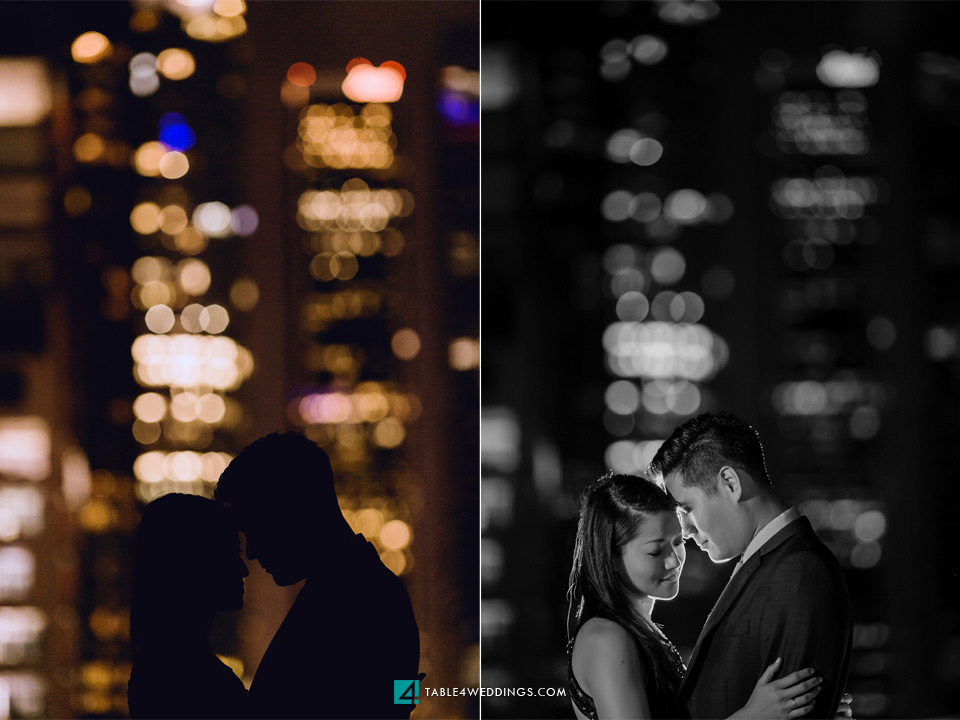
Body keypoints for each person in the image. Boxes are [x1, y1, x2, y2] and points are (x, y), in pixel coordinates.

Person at [566, 473, 824, 720]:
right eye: (656, 551)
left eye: (678, 542)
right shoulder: (606, 638)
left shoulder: (638, 629)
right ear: (609, 558)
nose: (674, 561)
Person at [648, 411, 853, 720]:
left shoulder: (797, 572)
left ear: (730, 483)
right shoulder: (773, 565)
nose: (685, 530)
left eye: (687, 508)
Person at [215, 431, 420, 719]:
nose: (251, 552)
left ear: (290, 510)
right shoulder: (364, 591)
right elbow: (402, 699)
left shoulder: (354, 599)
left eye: (255, 528)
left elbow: (397, 702)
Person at [128, 493, 249, 719]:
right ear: (197, 562)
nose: (244, 570)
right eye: (232, 554)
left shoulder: (164, 667)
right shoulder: (185, 675)